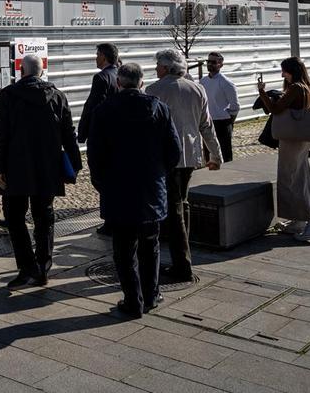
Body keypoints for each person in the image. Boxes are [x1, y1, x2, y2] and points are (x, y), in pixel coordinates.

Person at [89, 63, 180, 318]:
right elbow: (173, 151)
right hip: (151, 189)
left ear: (119, 83)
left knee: (124, 251)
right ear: (142, 83)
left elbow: (95, 156)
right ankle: (151, 295)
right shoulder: (159, 109)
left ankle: (133, 300)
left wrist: (102, 184)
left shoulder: (104, 111)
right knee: (150, 247)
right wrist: (159, 174)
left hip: (118, 191)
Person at [0, 54, 82, 288]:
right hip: (47, 166)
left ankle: (27, 267)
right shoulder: (58, 97)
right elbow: (68, 134)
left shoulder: (9, 96)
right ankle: (43, 267)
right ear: (41, 71)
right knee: (44, 217)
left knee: (14, 217)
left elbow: (0, 135)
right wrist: (75, 165)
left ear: (22, 70)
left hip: (15, 166)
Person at [147, 49, 222, 285]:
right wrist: (216, 154)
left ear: (167, 67)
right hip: (188, 156)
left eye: (158, 65)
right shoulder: (197, 88)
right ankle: (182, 255)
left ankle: (182, 264)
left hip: (165, 158)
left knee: (174, 207)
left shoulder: (154, 91)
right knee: (182, 203)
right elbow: (206, 125)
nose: (155, 69)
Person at [258, 57, 310, 242]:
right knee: (300, 177)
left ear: (291, 71)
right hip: (301, 138)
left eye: (284, 71)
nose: (282, 74)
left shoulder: (295, 87)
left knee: (292, 179)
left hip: (291, 140)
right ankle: (298, 220)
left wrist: (262, 92)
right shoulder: (308, 87)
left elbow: (275, 108)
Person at [77, 43, 121, 237]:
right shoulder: (120, 74)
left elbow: (93, 106)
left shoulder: (101, 77)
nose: (95, 58)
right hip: (118, 136)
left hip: (101, 136)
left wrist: (82, 132)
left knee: (100, 177)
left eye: (97, 55)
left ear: (103, 56)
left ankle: (110, 219)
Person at [201, 52, 240, 164]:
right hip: (207, 121)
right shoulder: (203, 81)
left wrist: (229, 120)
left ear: (220, 65)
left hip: (222, 122)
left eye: (213, 62)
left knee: (224, 153)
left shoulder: (226, 83)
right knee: (209, 152)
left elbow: (235, 106)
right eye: (208, 61)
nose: (210, 64)